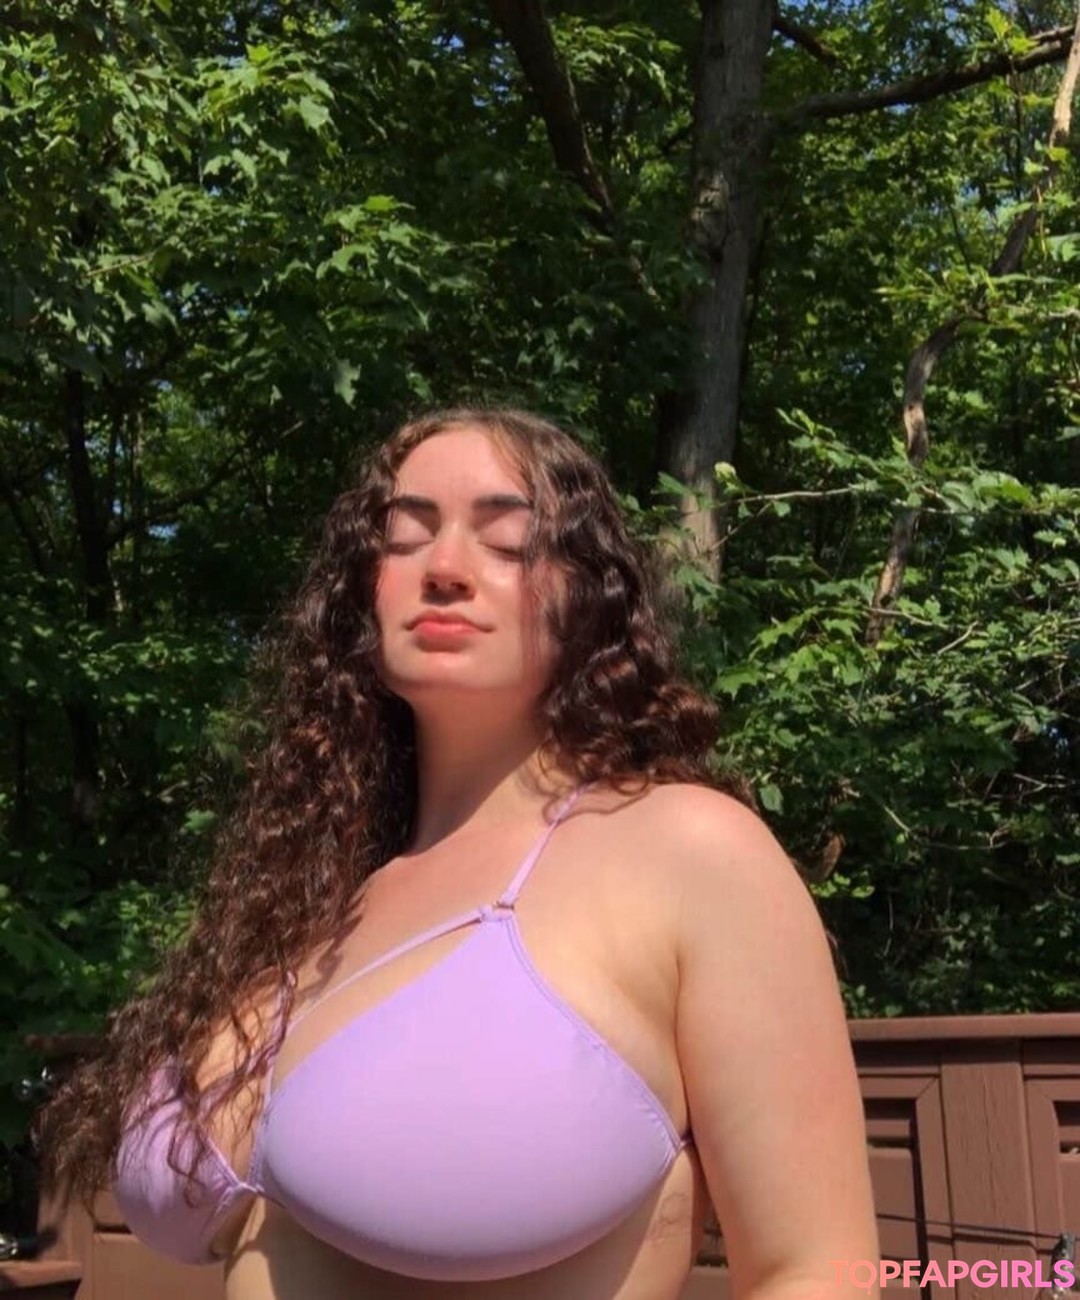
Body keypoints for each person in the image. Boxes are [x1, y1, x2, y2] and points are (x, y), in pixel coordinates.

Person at [38, 408, 880, 1300]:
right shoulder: (314, 898)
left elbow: (819, 1272)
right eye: (403, 539)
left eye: (508, 542)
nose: (442, 569)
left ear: (588, 593)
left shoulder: (688, 852)